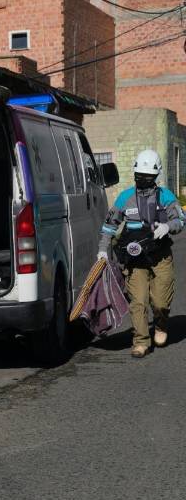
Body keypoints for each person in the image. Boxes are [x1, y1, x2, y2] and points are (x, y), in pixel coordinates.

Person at [97, 149, 183, 358]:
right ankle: (141, 341)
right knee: (139, 301)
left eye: (148, 177)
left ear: (156, 177)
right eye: (140, 176)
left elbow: (181, 220)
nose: (143, 179)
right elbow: (109, 226)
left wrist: (167, 226)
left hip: (160, 255)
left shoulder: (166, 196)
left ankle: (161, 325)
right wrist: (103, 250)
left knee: (161, 301)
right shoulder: (125, 198)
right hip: (135, 258)